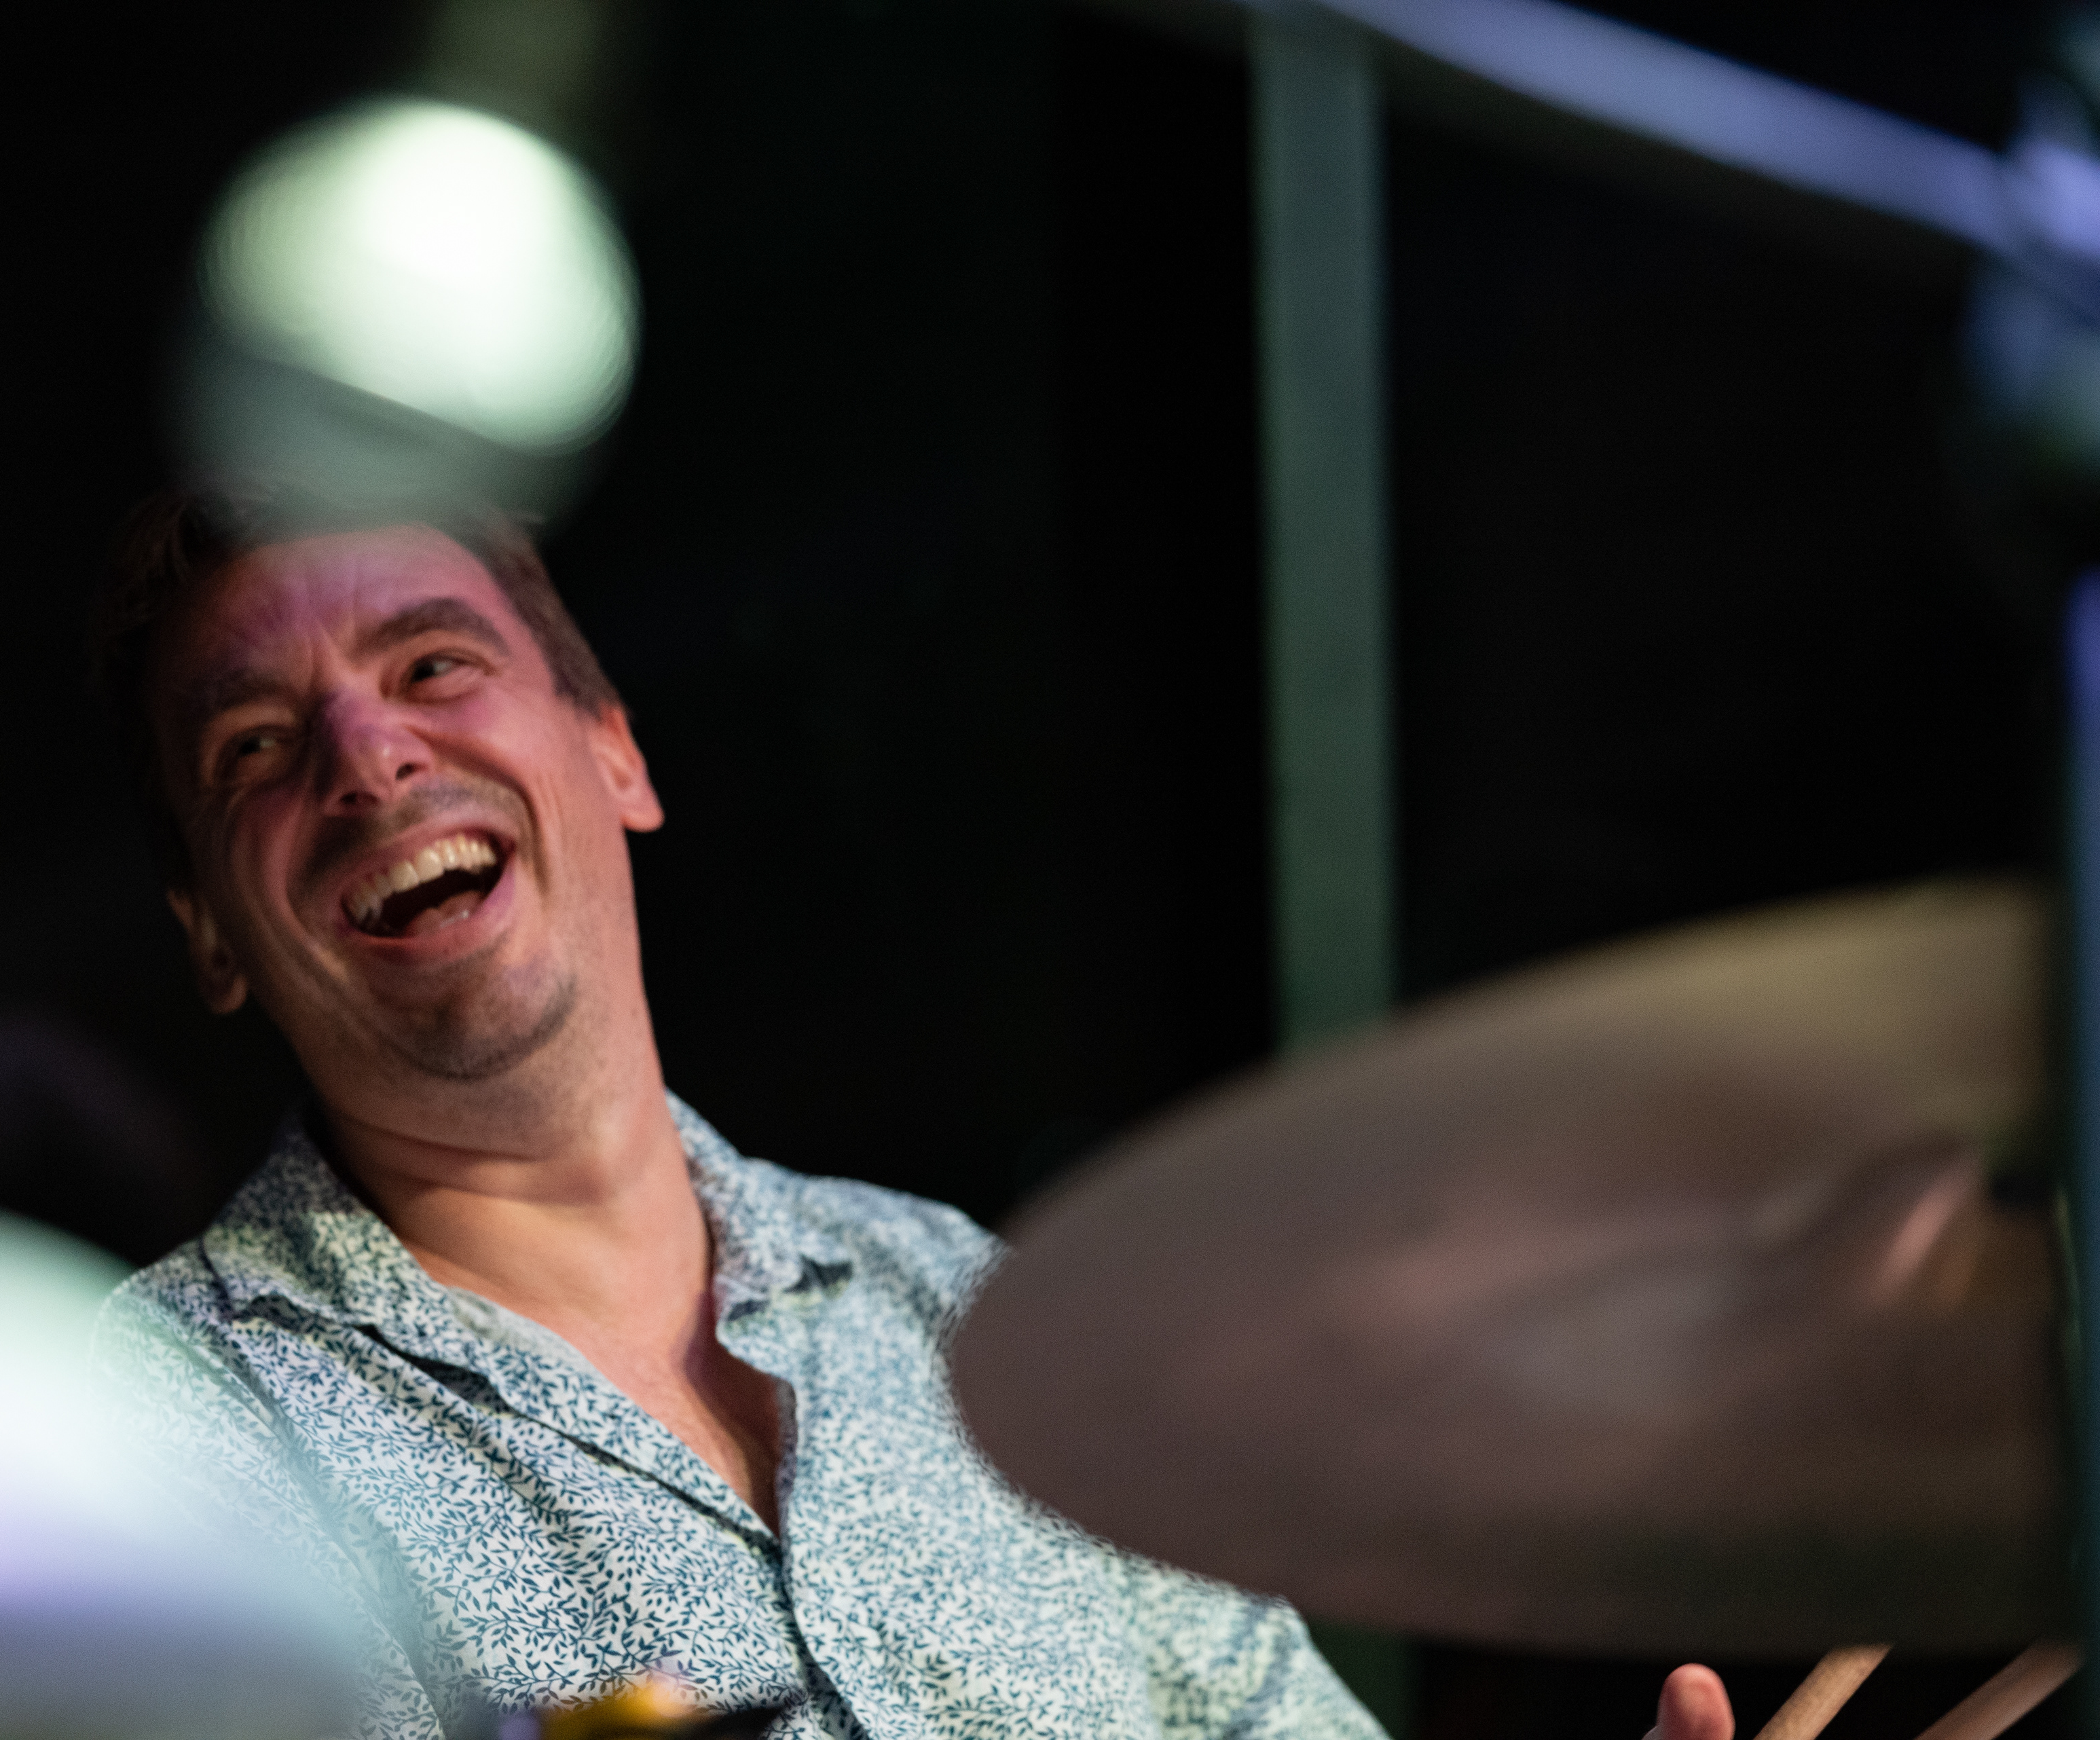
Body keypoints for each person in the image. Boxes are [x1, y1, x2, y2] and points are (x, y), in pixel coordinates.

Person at [88, 489, 1737, 1740]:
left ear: (614, 752)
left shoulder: (995, 1323)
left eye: (434, 664)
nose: (366, 756)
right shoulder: (152, 1446)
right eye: (256, 747)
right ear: (210, 933)